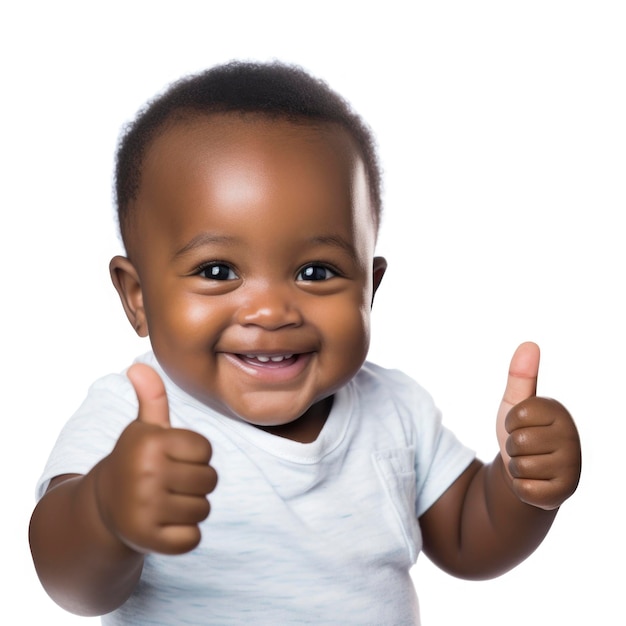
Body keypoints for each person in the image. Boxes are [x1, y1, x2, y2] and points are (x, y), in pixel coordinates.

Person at [29, 61, 581, 625]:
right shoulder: (132, 419)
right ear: (138, 296)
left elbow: (469, 539)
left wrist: (524, 489)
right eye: (218, 271)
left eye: (316, 272)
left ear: (371, 286)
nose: (270, 311)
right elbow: (71, 584)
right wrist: (106, 511)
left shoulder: (395, 411)